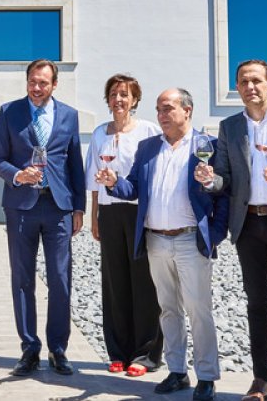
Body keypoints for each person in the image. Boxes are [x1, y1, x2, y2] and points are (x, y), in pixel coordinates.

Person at [97, 88, 227, 401]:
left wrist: (215, 232)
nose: (162, 115)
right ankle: (178, 371)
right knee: (168, 310)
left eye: (168, 108)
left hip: (189, 239)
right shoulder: (148, 147)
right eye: (158, 109)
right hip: (156, 240)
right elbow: (134, 189)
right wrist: (115, 183)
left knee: (199, 311)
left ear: (188, 110)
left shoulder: (207, 146)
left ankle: (207, 376)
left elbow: (224, 190)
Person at [196, 60, 267, 401]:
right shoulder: (230, 127)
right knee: (257, 304)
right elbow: (224, 179)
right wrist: (209, 180)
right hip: (248, 225)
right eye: (243, 81)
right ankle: (261, 381)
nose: (250, 87)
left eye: (256, 81)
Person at [0, 58, 85, 376]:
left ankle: (58, 349)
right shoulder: (9, 112)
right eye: (32, 80)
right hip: (20, 207)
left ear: (54, 84)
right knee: (22, 280)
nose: (36, 87)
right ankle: (29, 348)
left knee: (60, 279)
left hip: (58, 206)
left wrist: (79, 207)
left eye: (43, 82)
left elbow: (75, 165)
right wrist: (18, 175)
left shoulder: (69, 115)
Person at [83, 74, 163, 377]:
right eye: (114, 94)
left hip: (138, 212)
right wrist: (95, 218)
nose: (119, 99)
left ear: (135, 100)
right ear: (108, 99)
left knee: (144, 283)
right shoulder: (100, 134)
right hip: (109, 213)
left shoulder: (147, 131)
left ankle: (146, 353)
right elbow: (93, 180)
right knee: (115, 284)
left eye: (125, 95)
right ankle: (117, 351)